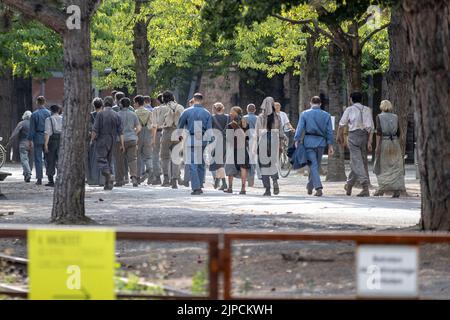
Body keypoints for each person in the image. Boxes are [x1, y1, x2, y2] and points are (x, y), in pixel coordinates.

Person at [294, 96, 334, 197]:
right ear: (320, 104)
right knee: (315, 165)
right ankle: (310, 186)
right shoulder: (327, 115)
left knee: (313, 166)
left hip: (308, 142)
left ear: (311, 103)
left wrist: (297, 139)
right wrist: (330, 145)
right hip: (321, 142)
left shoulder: (305, 114)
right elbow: (329, 131)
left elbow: (300, 128)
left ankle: (318, 187)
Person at [337, 92, 374, 197]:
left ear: (351, 99)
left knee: (357, 162)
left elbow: (341, 124)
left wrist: (338, 136)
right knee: (358, 161)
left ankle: (365, 186)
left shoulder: (349, 109)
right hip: (364, 136)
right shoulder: (367, 109)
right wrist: (370, 141)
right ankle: (349, 185)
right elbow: (371, 127)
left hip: (353, 136)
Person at [177, 93, 212, 195]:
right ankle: (200, 184)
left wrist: (179, 136)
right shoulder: (207, 113)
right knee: (201, 163)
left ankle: (196, 188)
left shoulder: (187, 111)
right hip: (203, 139)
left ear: (194, 99)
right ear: (202, 100)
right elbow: (209, 129)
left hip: (191, 138)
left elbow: (180, 125)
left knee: (192, 163)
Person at [373, 100, 406, 198]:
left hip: (384, 142)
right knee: (395, 166)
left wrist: (377, 146)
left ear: (381, 107)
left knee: (384, 166)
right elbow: (399, 133)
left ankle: (382, 188)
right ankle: (396, 189)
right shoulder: (395, 117)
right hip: (395, 143)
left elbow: (378, 132)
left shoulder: (379, 117)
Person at [91, 96, 124, 191]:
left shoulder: (100, 114)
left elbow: (95, 129)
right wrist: (122, 144)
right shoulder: (117, 115)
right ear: (113, 103)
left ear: (104, 104)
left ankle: (109, 175)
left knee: (101, 159)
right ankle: (108, 183)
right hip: (113, 139)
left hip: (102, 139)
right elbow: (121, 132)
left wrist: (92, 140)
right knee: (110, 161)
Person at [255, 97, 285, 196]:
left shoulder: (260, 117)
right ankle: (275, 180)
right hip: (275, 141)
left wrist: (254, 146)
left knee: (263, 165)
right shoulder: (277, 117)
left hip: (263, 141)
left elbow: (257, 132)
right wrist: (281, 145)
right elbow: (281, 132)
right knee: (273, 163)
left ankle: (267, 189)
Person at [156, 91, 185, 189]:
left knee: (164, 157)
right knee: (176, 157)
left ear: (163, 98)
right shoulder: (180, 107)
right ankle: (174, 180)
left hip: (167, 132)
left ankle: (166, 179)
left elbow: (159, 123)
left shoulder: (162, 108)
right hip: (178, 132)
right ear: (173, 97)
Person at [224, 106, 250, 195]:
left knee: (230, 168)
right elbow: (248, 137)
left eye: (231, 112)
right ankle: (243, 189)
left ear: (235, 113)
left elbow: (229, 139)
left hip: (233, 148)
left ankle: (230, 188)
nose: (230, 113)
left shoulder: (230, 125)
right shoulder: (246, 124)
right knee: (243, 167)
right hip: (243, 148)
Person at [115, 97, 141, 187]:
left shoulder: (117, 115)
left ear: (121, 104)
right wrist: (133, 133)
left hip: (120, 140)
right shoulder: (133, 114)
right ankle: (134, 178)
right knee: (133, 159)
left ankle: (119, 180)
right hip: (132, 140)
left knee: (119, 160)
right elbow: (139, 128)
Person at [28, 96, 51, 185]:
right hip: (47, 137)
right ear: (44, 102)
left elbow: (32, 129)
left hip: (37, 137)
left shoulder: (34, 114)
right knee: (49, 158)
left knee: (38, 159)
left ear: (37, 103)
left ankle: (39, 178)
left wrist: (30, 140)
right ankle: (50, 177)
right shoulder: (49, 113)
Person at [8, 111, 33, 182]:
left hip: (23, 143)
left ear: (24, 116)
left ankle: (27, 173)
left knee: (24, 159)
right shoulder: (33, 124)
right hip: (32, 143)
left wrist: (10, 140)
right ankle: (27, 175)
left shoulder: (21, 123)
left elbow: (15, 133)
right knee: (30, 160)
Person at [134, 95, 154, 185]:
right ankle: (150, 169)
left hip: (138, 134)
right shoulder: (149, 112)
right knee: (148, 156)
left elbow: (135, 126)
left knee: (137, 156)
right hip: (148, 134)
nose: (134, 104)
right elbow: (153, 126)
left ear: (137, 103)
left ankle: (137, 177)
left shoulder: (135, 112)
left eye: (134, 102)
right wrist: (153, 138)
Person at [209, 102, 229, 191]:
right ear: (223, 108)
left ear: (215, 109)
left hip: (216, 142)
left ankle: (224, 183)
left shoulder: (212, 118)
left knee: (219, 163)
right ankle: (217, 182)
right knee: (219, 162)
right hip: (226, 141)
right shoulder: (228, 117)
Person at [43, 105, 63, 187]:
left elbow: (47, 133)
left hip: (52, 141)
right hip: (61, 140)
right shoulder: (63, 119)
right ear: (58, 110)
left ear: (51, 111)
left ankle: (51, 180)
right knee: (60, 160)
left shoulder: (49, 119)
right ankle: (61, 179)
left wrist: (46, 144)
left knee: (50, 160)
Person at [87, 98, 105, 186]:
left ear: (93, 105)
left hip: (94, 140)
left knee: (93, 160)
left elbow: (90, 129)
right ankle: (103, 180)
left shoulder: (91, 115)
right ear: (102, 105)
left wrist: (91, 139)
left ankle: (94, 180)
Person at [150, 94, 163, 185]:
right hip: (169, 132)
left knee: (155, 155)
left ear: (158, 101)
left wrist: (153, 139)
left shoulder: (156, 110)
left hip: (158, 133)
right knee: (168, 156)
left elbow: (154, 126)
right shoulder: (171, 109)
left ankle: (157, 177)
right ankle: (169, 177)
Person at [244, 104, 258, 187]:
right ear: (255, 110)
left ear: (247, 109)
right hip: (255, 141)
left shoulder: (244, 118)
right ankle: (251, 179)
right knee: (253, 160)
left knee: (245, 160)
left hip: (245, 141)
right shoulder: (258, 118)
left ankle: (246, 177)